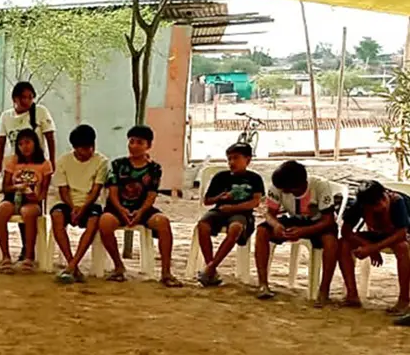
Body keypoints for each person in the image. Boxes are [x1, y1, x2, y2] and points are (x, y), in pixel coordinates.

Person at [99, 125, 182, 287]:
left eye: (139, 143)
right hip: (118, 208)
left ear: (148, 146)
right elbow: (113, 192)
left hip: (143, 209)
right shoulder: (118, 165)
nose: (134, 146)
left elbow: (152, 194)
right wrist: (122, 210)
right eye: (131, 142)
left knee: (163, 222)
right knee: (104, 222)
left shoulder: (154, 168)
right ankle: (118, 267)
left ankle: (166, 273)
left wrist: (140, 212)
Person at [254, 160, 338, 304]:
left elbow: (329, 220)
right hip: (294, 219)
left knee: (331, 242)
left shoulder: (320, 186)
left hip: (318, 223)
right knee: (262, 231)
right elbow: (269, 214)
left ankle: (324, 290)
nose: (284, 192)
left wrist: (304, 230)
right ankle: (263, 284)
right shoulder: (278, 187)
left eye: (288, 190)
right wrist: (276, 225)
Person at [0, 81, 57, 260]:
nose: (28, 101)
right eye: (24, 97)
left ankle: (28, 250)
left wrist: (52, 160)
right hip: (16, 165)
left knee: (29, 209)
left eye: (30, 97)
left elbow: (50, 136)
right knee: (11, 205)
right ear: (15, 99)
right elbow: (1, 140)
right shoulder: (6, 117)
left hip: (36, 165)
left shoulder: (40, 112)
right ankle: (13, 252)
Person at [195, 143, 265, 286]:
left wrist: (233, 208)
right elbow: (207, 201)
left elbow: (255, 202)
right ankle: (211, 268)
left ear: (248, 160)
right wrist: (220, 197)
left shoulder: (255, 178)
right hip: (220, 210)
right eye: (229, 159)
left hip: (242, 213)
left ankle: (210, 268)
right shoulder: (221, 177)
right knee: (202, 225)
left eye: (236, 158)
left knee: (235, 229)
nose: (232, 162)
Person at [337, 180, 410, 317]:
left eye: (383, 200)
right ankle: (352, 295)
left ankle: (404, 299)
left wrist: (372, 248)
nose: (382, 205)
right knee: (343, 243)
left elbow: (401, 234)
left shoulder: (397, 201)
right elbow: (346, 231)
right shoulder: (359, 205)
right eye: (376, 205)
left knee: (402, 247)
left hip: (399, 237)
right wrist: (367, 246)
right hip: (376, 236)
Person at [50, 124, 107, 284]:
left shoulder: (101, 162)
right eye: (83, 149)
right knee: (56, 216)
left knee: (94, 221)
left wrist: (83, 208)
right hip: (68, 203)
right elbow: (63, 190)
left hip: (90, 203)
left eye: (90, 147)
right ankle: (72, 265)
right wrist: (73, 207)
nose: (87, 152)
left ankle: (71, 266)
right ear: (74, 148)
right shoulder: (63, 161)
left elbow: (95, 191)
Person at [0, 128, 53, 274]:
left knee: (28, 212)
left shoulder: (45, 165)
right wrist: (17, 187)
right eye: (20, 144)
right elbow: (5, 187)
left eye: (27, 142)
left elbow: (44, 191)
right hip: (13, 197)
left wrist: (36, 197)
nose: (24, 147)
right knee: (1, 211)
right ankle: (5, 256)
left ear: (35, 143)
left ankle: (29, 256)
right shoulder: (12, 161)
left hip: (32, 201)